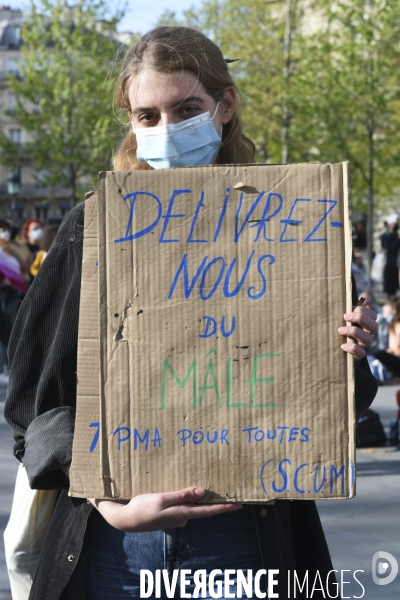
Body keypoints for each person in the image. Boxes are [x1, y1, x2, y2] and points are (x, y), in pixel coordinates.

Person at [4, 26, 379, 600]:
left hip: (245, 542)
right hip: (118, 551)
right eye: (147, 115)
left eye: (187, 109)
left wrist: (352, 350)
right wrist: (108, 503)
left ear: (223, 106)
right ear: (130, 121)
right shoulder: (95, 229)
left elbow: (325, 397)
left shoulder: (290, 226)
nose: (166, 130)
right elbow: (36, 402)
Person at [381, 213, 400, 296]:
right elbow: (389, 248)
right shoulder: (385, 236)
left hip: (397, 266)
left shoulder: (397, 236)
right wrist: (397, 240)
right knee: (390, 290)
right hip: (389, 265)